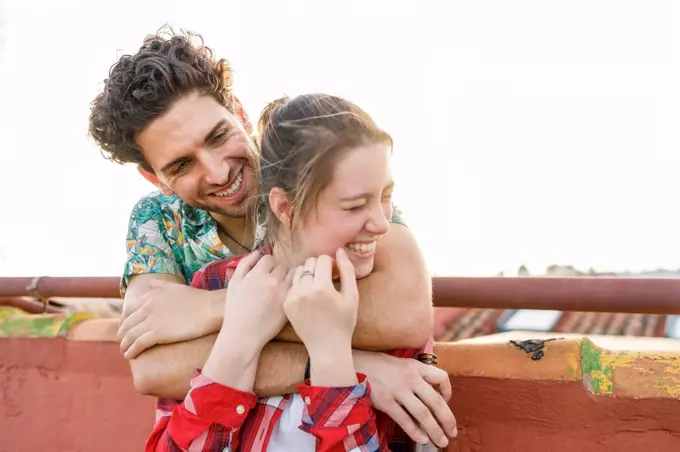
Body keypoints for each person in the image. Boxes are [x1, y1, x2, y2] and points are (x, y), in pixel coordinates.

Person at [88, 27, 456, 448]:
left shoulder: (307, 169)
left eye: (218, 136)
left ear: (240, 112)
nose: (218, 172)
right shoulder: (156, 219)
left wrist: (213, 309)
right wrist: (355, 365)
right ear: (154, 178)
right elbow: (155, 368)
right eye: (181, 165)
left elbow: (403, 315)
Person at [148, 93, 430, 451]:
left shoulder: (387, 297)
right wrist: (237, 343)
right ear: (284, 207)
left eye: (386, 196)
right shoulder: (214, 283)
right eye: (355, 205)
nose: (381, 224)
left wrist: (332, 356)